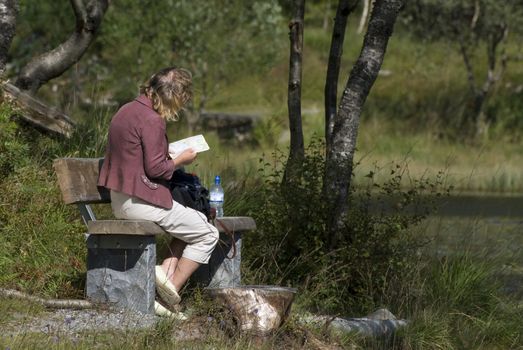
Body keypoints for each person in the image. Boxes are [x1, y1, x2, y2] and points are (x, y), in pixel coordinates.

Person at [97, 67, 219, 318]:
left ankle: (163, 278)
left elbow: (139, 158)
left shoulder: (127, 109)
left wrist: (167, 156)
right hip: (140, 201)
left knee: (191, 224)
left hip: (123, 198)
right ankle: (167, 293)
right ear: (172, 95)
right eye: (180, 101)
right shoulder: (152, 119)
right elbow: (156, 169)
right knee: (208, 233)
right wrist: (181, 159)